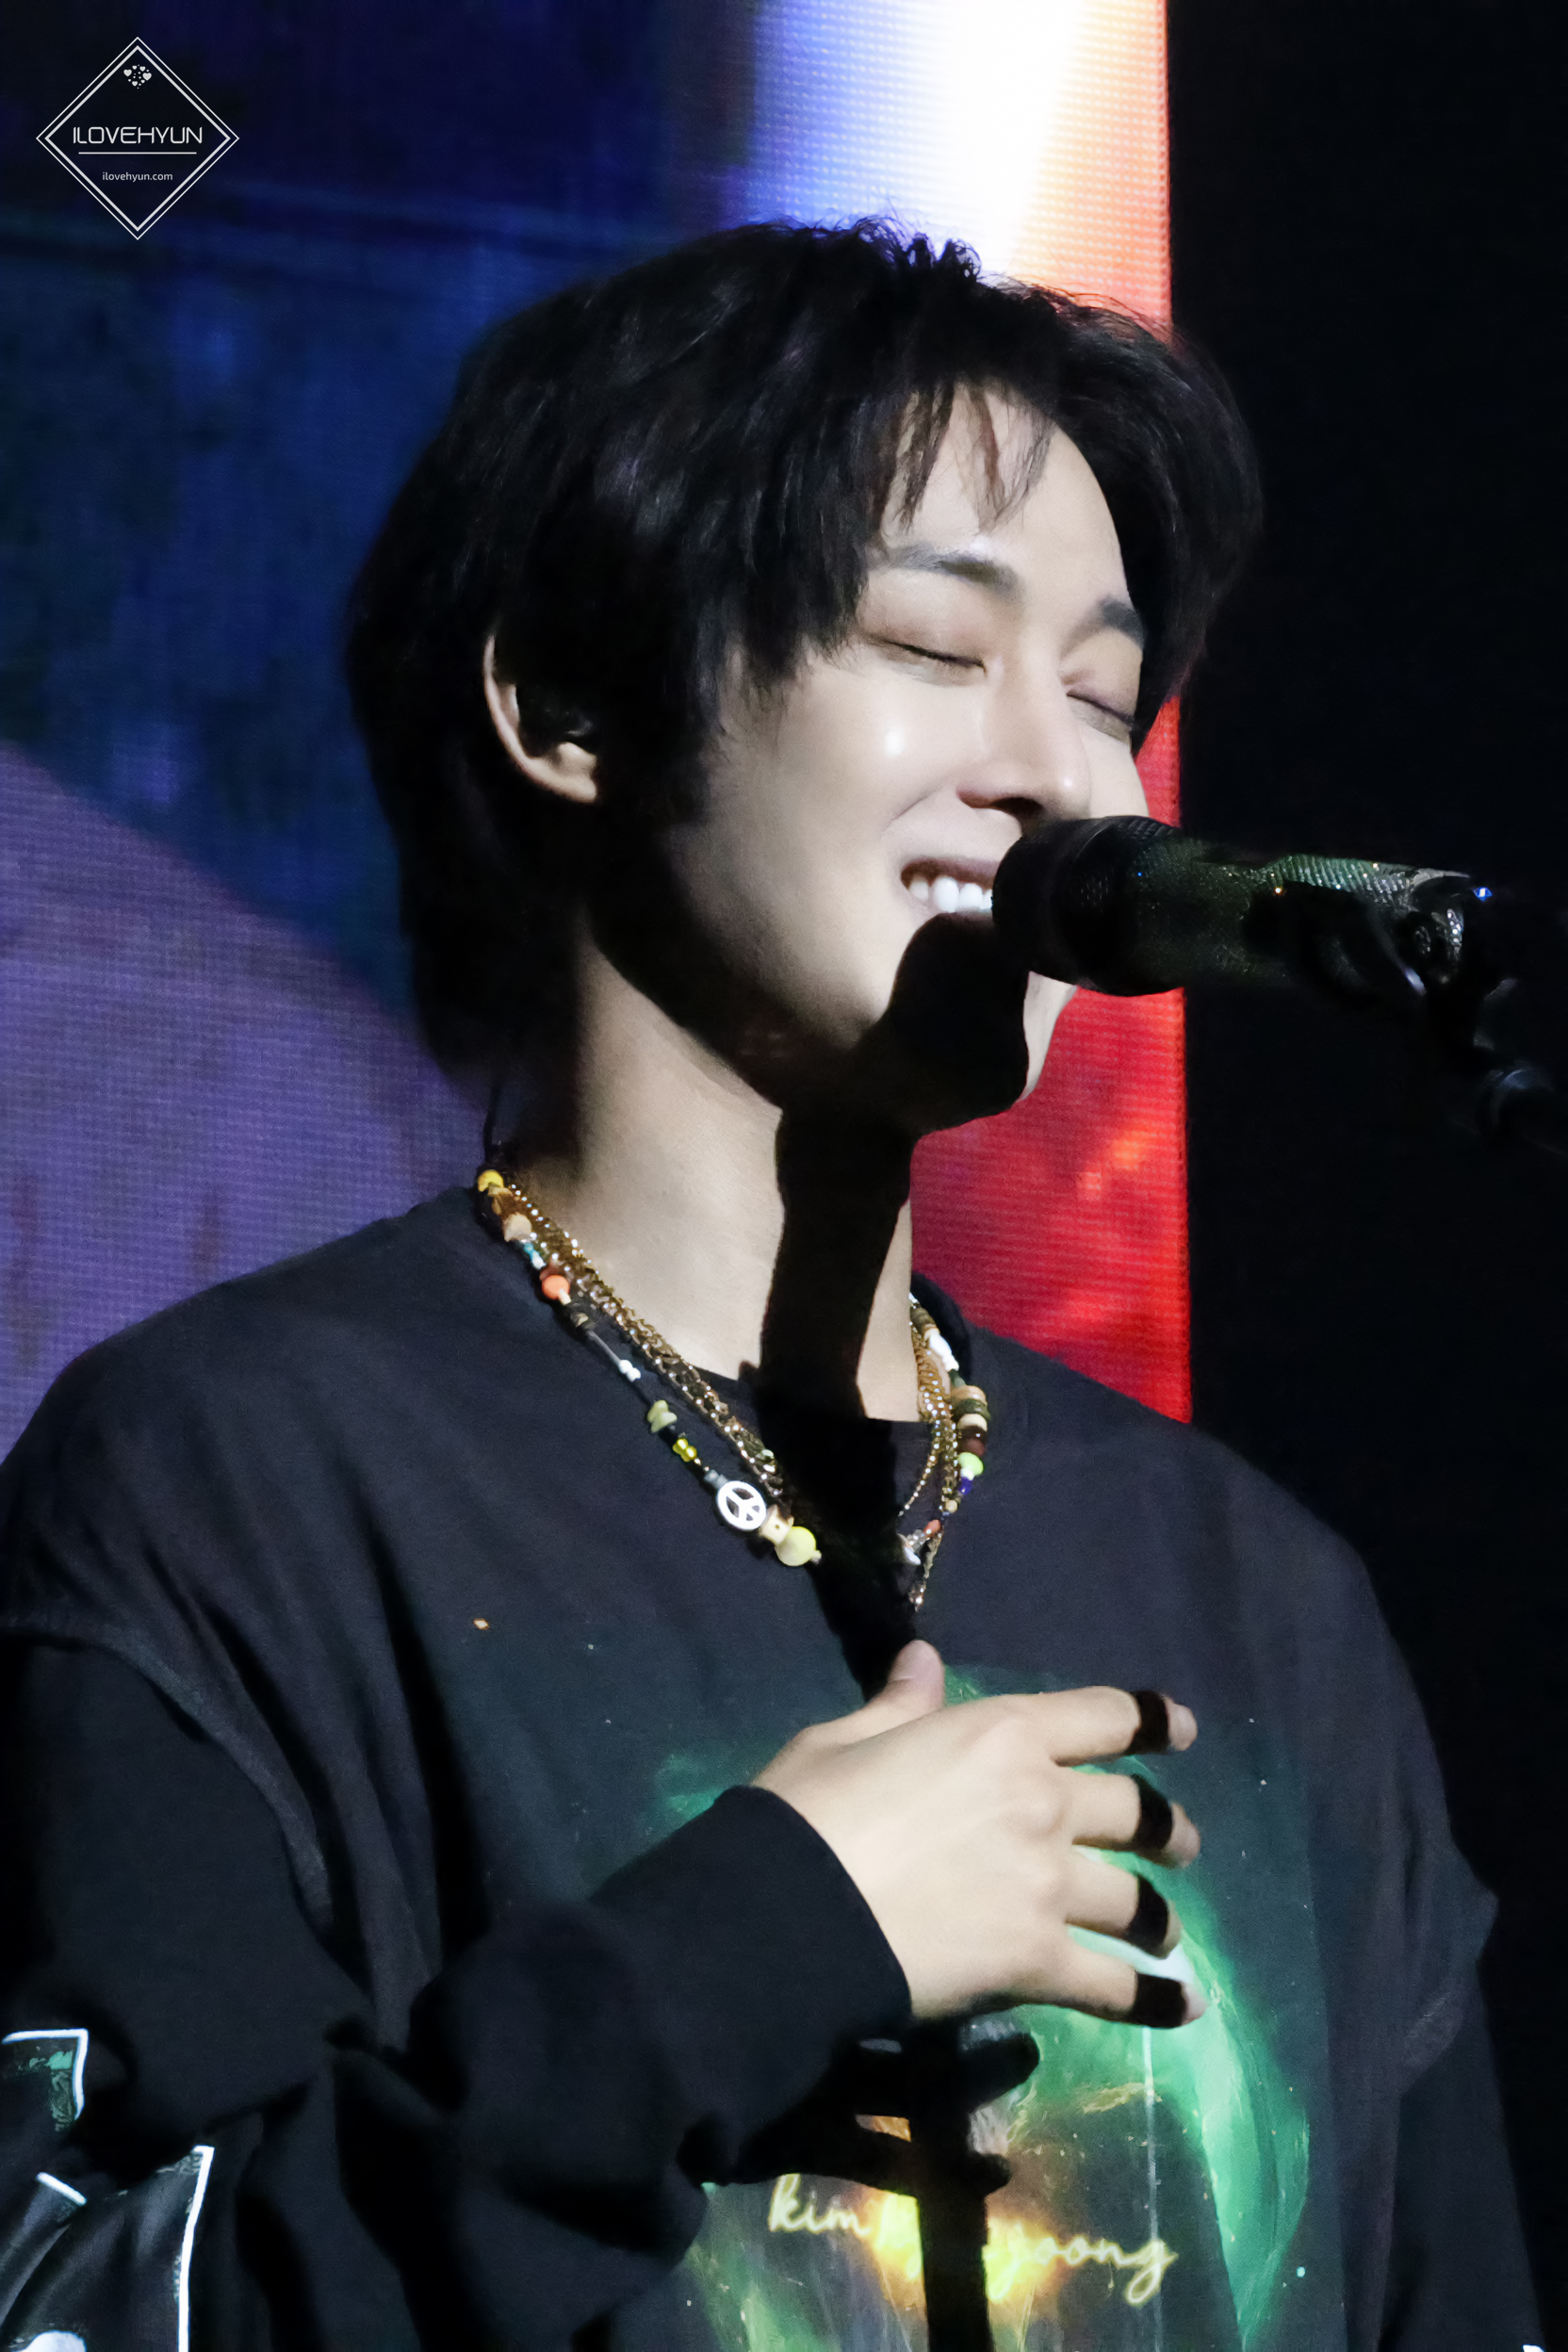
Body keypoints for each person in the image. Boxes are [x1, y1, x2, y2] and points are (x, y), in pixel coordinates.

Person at [0, 221, 1537, 2351]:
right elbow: (91, 2311)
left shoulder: (1256, 1591)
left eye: (1106, 696)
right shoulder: (236, 1479)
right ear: (567, 703)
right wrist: (750, 1948)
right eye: (934, 646)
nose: (1061, 779)